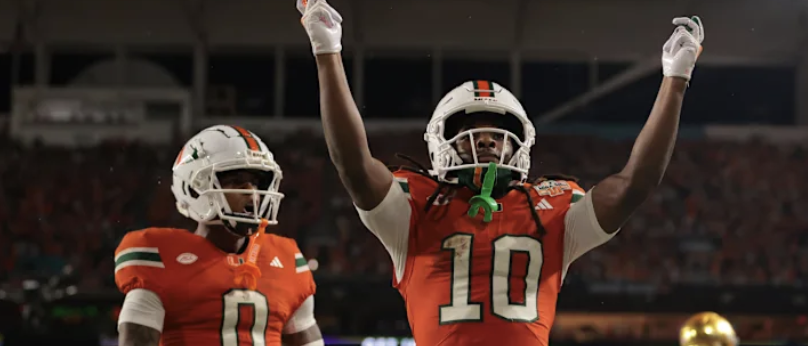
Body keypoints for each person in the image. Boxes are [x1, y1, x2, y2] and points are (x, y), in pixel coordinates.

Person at [299, 1, 704, 344]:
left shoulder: (553, 207)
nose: (489, 142)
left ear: (521, 145)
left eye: (499, 134)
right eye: (471, 133)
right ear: (441, 144)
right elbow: (353, 164)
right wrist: (327, 52)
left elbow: (635, 185)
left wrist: (675, 81)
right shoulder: (414, 206)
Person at [115, 125, 324, 346]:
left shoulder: (286, 260)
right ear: (195, 188)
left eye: (255, 182)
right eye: (236, 181)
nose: (252, 193)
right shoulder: (159, 258)